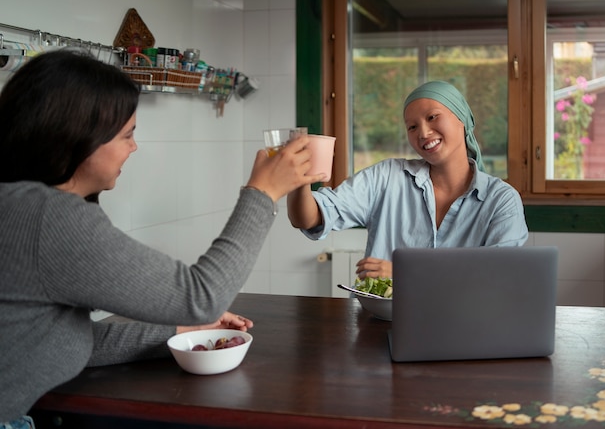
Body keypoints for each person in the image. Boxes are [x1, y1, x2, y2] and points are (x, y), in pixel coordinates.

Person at [0, 49, 326, 428]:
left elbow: (61, 340)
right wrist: (263, 191)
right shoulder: (49, 218)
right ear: (78, 138)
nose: (133, 148)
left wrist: (177, 331)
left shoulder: (19, 205)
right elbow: (202, 297)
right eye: (127, 134)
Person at [287, 80, 528, 280]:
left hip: (467, 327)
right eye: (412, 127)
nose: (423, 133)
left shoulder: (501, 200)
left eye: (433, 117)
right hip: (381, 325)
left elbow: (499, 277)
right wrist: (300, 180)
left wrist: (405, 273)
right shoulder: (386, 177)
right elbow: (308, 218)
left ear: (462, 119)